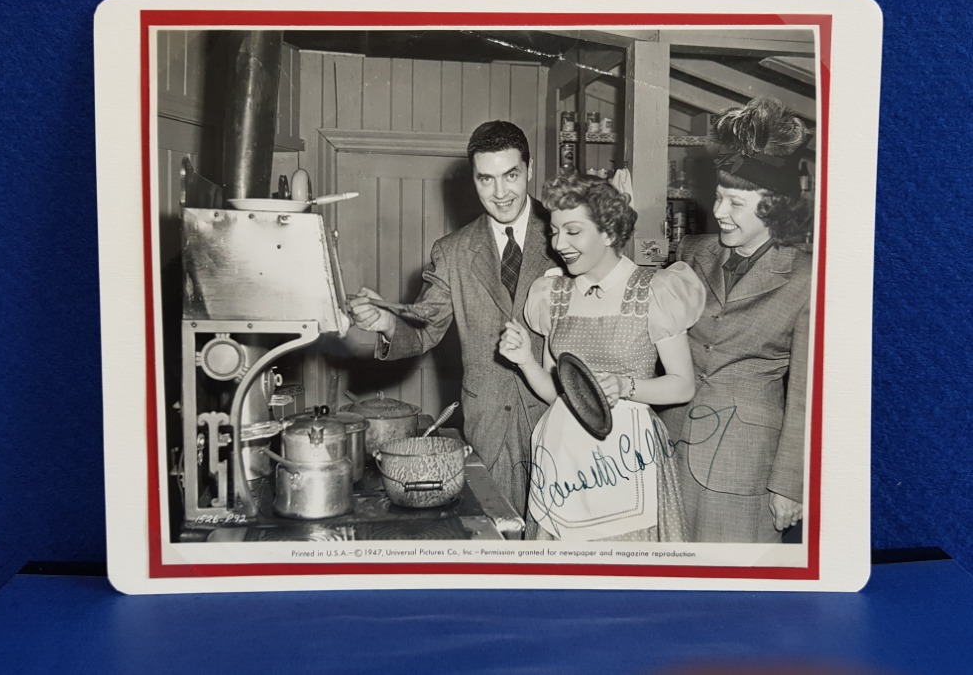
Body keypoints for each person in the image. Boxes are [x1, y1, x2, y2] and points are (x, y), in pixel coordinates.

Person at [348, 121, 558, 520]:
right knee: (499, 542)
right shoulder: (454, 251)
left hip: (560, 419)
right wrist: (386, 322)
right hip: (489, 429)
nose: (500, 193)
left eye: (511, 175)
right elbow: (425, 328)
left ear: (529, 169)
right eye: (486, 179)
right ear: (474, 179)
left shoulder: (565, 235)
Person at [498, 172, 705, 541]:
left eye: (572, 231)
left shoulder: (654, 290)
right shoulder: (553, 293)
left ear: (608, 232)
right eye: (555, 231)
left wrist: (625, 387)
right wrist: (525, 359)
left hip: (627, 459)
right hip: (564, 454)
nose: (558, 243)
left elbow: (683, 385)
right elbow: (556, 393)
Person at [659, 96, 814, 543]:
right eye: (718, 198)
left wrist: (789, 483)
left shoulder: (805, 277)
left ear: (772, 207)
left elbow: (805, 392)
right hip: (672, 444)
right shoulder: (693, 250)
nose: (720, 212)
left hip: (746, 464)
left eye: (735, 202)